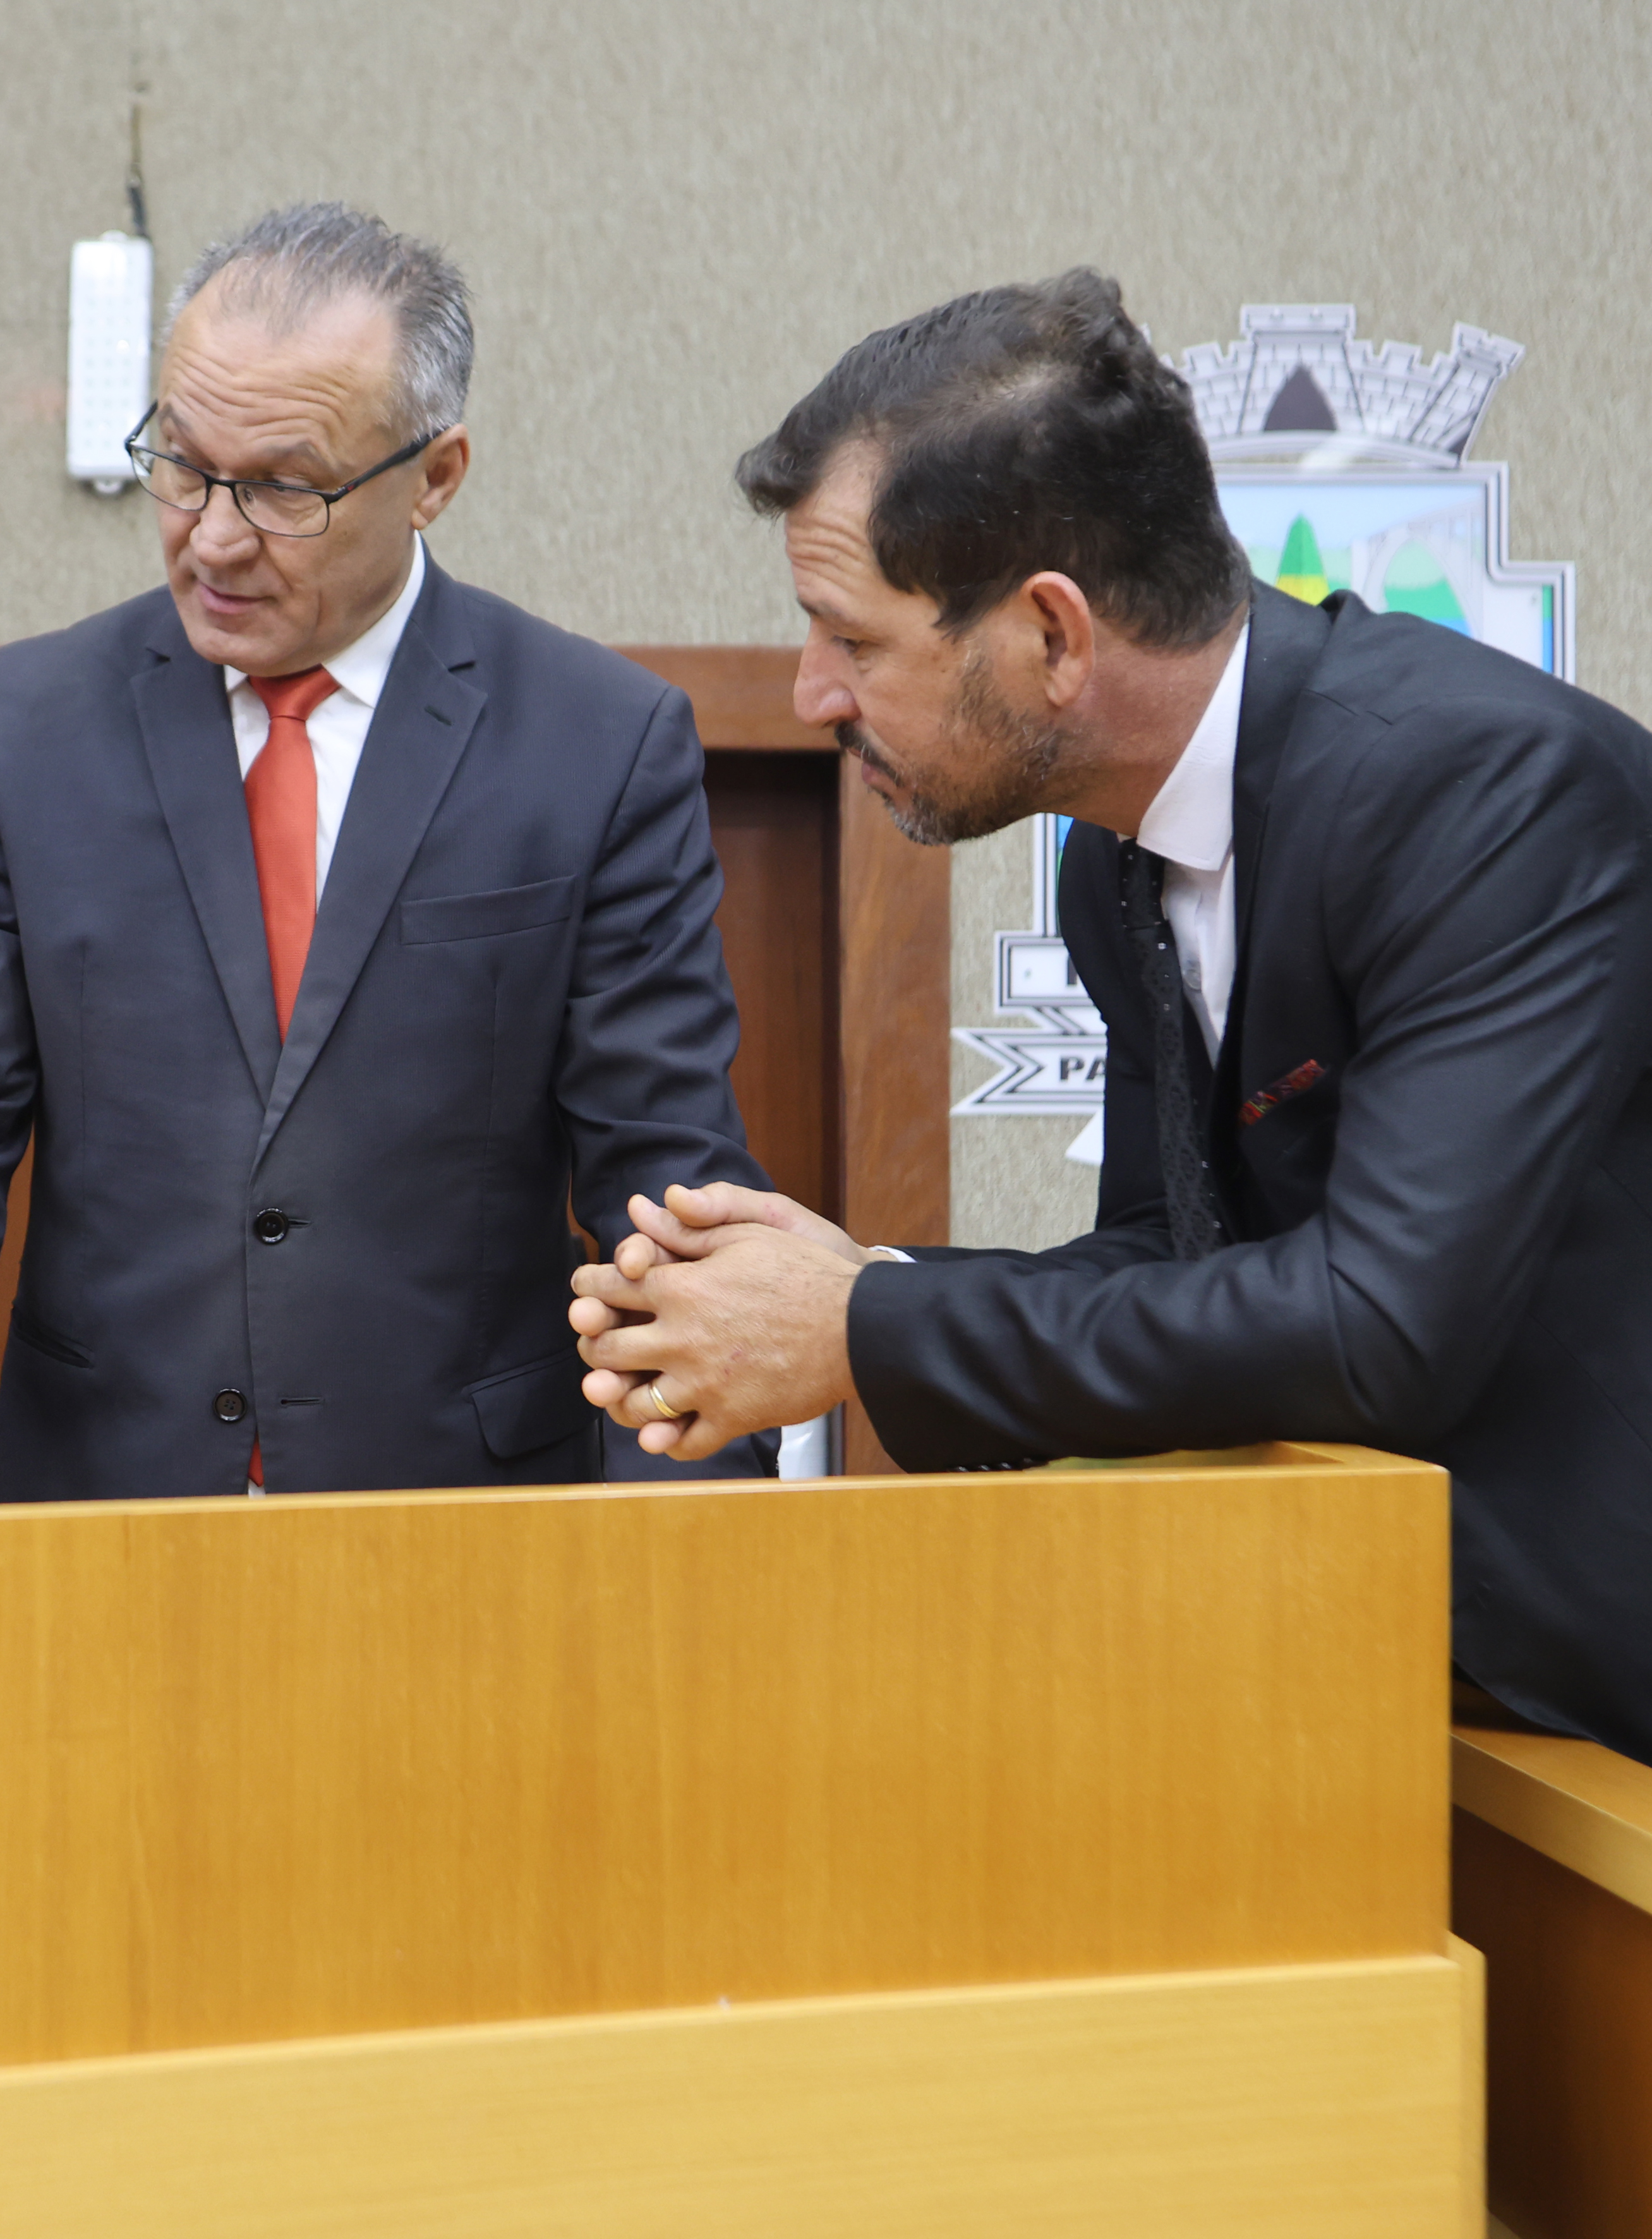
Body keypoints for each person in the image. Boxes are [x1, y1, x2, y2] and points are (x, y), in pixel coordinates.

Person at [569, 270, 1652, 1757]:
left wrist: (868, 1324)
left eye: (854, 639)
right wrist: (853, 1278)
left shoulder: (1487, 796)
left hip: (1599, 1699)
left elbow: (1379, 1323)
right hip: (1389, 1673)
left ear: (1054, 638)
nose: (815, 692)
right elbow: (1176, 1254)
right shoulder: (1110, 866)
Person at [0, 203, 771, 1509]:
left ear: (435, 475)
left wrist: (683, 1504)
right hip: (105, 1504)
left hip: (466, 1520)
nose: (212, 535)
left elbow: (657, 1162)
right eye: (182, 464)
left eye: (282, 486)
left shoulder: (597, 743)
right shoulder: (22, 731)